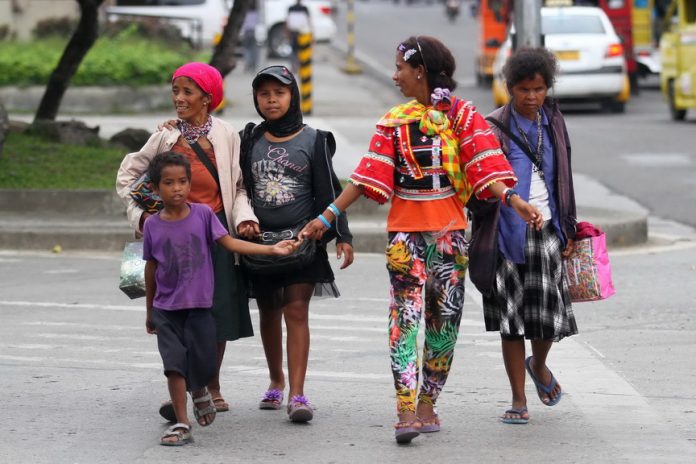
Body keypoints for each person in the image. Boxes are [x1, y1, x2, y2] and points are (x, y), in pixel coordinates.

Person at [300, 36, 543, 443]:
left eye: (400, 67)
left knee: (443, 324)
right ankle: (406, 409)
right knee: (404, 322)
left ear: (421, 72)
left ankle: (429, 401)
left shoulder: (463, 115)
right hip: (404, 239)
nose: (395, 75)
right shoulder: (393, 122)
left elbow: (485, 163)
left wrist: (514, 200)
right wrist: (326, 216)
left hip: (449, 238)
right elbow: (365, 177)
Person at [116, 62, 257, 421]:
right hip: (174, 241)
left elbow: (237, 187)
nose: (179, 98)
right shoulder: (164, 136)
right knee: (175, 318)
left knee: (217, 315)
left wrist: (245, 220)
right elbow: (128, 173)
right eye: (175, 91)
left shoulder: (227, 135)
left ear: (207, 99)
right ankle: (191, 388)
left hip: (214, 235)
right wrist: (143, 217)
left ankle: (211, 384)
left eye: (187, 92)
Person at [143, 151, 297, 446]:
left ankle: (199, 389)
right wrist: (150, 311)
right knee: (174, 365)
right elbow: (151, 268)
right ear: (155, 188)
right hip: (167, 309)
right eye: (168, 183)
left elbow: (229, 243)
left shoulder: (203, 215)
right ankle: (181, 422)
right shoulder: (152, 225)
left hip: (200, 307)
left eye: (182, 182)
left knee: (204, 363)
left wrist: (271, 249)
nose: (177, 188)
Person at [239, 65, 354, 423]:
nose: (272, 100)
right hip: (261, 246)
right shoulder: (250, 140)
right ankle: (276, 380)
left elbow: (330, 191)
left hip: (304, 240)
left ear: (293, 97)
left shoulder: (314, 139)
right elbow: (239, 187)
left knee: (296, 311)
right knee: (269, 311)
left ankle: (298, 394)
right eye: (264, 94)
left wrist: (343, 235)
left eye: (279, 93)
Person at [482, 47, 578, 425]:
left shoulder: (554, 121)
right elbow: (482, 180)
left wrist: (567, 225)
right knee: (511, 321)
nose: (532, 97)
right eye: (524, 89)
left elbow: (565, 174)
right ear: (510, 88)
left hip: (548, 231)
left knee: (546, 318)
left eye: (539, 89)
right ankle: (518, 399)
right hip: (506, 235)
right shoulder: (493, 125)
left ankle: (538, 363)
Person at [285, 0, 311, 73]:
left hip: (299, 33)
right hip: (298, 33)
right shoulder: (303, 9)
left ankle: (296, 66)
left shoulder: (293, 9)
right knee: (296, 51)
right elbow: (309, 22)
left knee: (296, 51)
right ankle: (296, 66)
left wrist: (287, 32)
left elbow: (287, 21)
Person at [241, 0, 260, 73]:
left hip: (247, 31)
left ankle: (247, 64)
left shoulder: (245, 12)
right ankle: (253, 65)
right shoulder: (257, 12)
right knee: (254, 49)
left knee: (247, 49)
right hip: (254, 32)